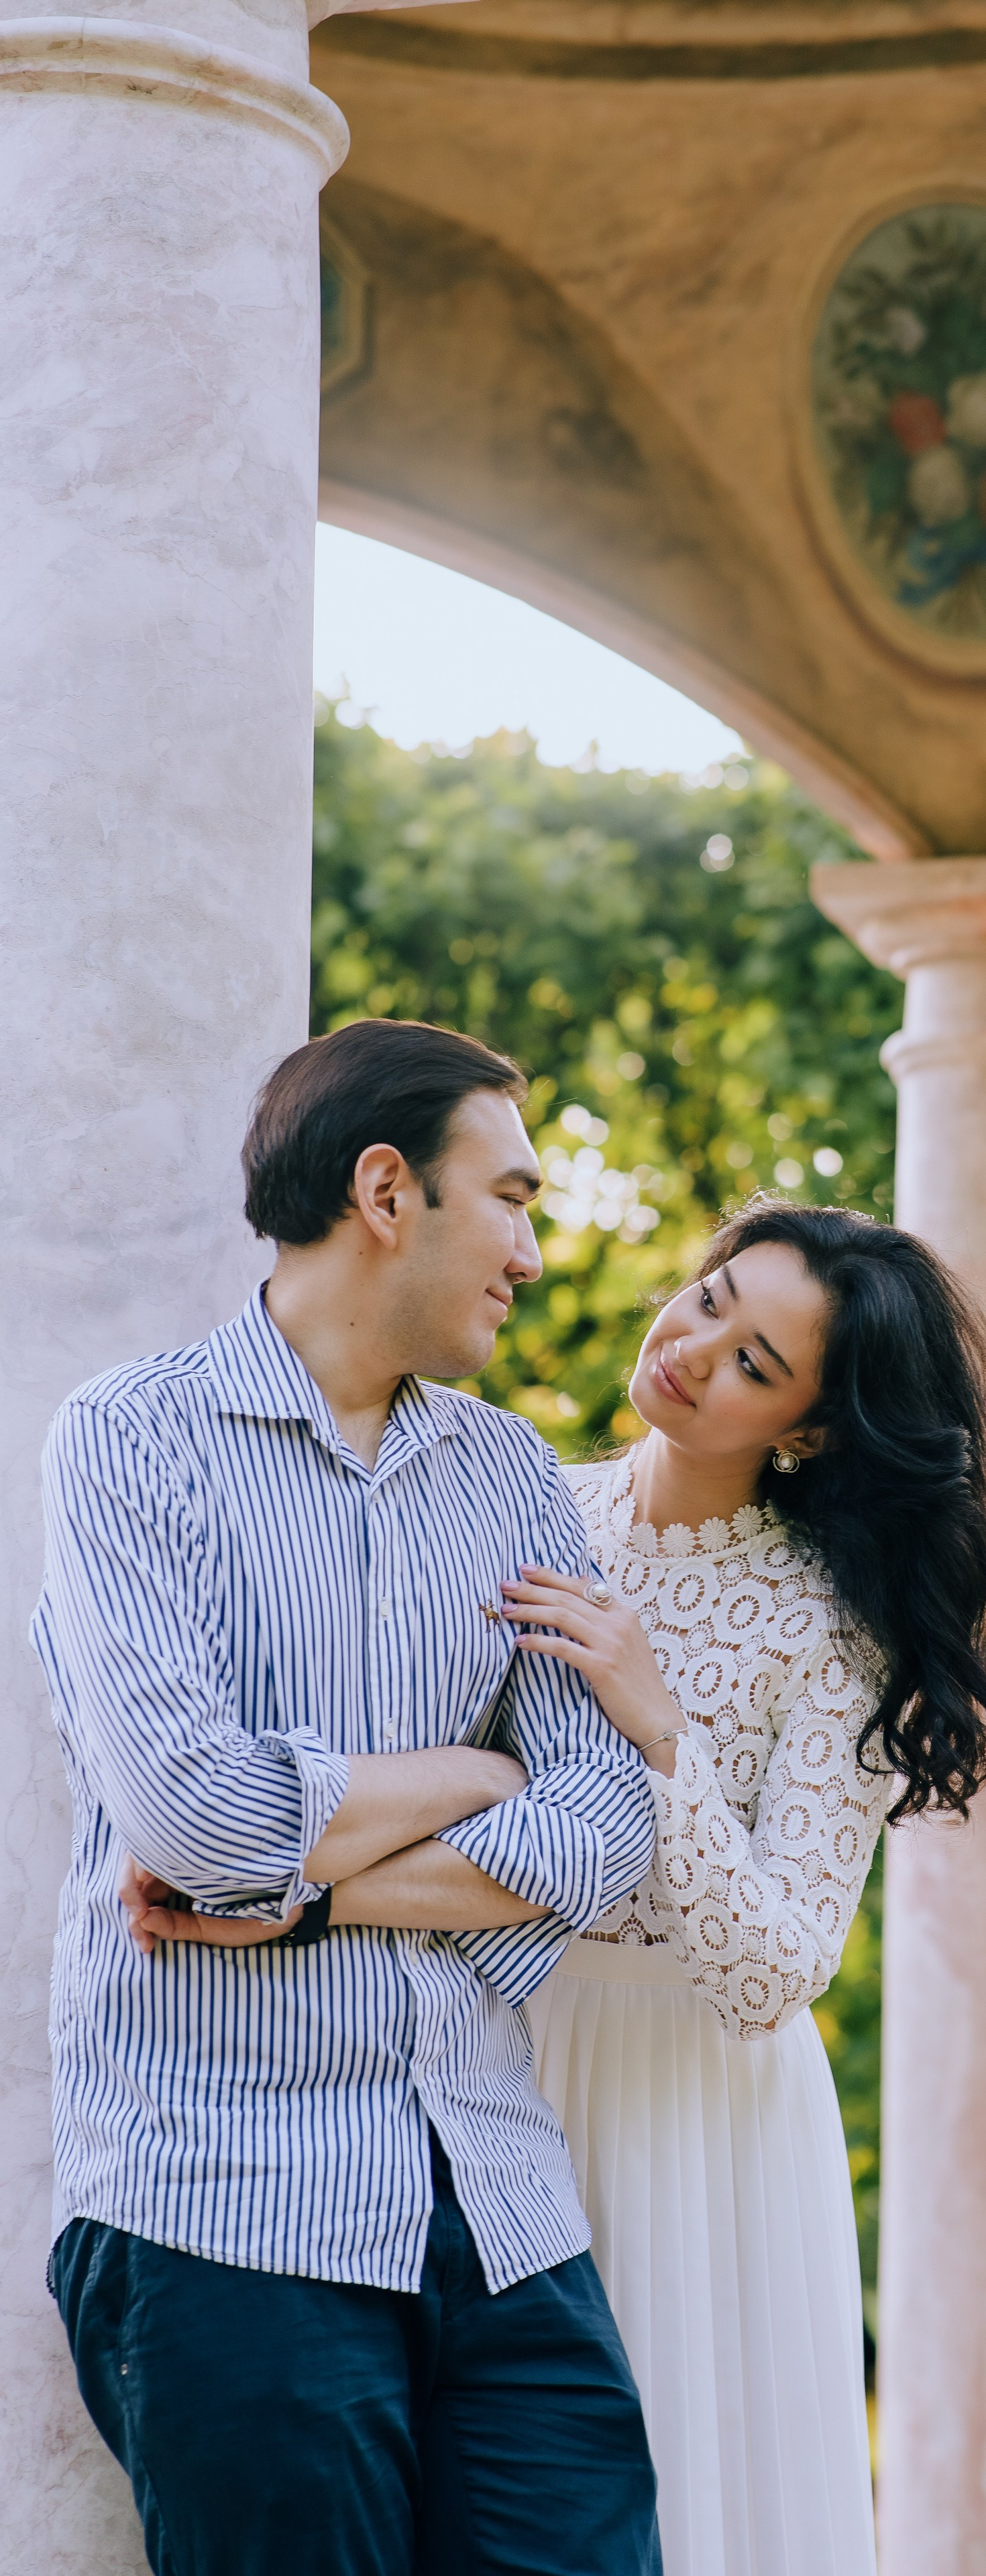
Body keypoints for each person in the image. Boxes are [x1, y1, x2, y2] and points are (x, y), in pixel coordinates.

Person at [36, 1016, 663, 2576]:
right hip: (225, 2214)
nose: (532, 1250)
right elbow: (198, 1823)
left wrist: (309, 1889)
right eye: (512, 1198)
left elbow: (603, 1826)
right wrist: (476, 1769)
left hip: (504, 2215)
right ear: (387, 1189)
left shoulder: (515, 1478)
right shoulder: (129, 1444)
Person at [505, 1199, 986, 2576]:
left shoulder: (829, 1627)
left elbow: (773, 1973)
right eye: (707, 1300)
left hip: (694, 2104)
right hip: (491, 2053)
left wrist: (658, 1734)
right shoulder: (519, 1511)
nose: (692, 1349)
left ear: (807, 1430)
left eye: (755, 1362)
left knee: (677, 2505)